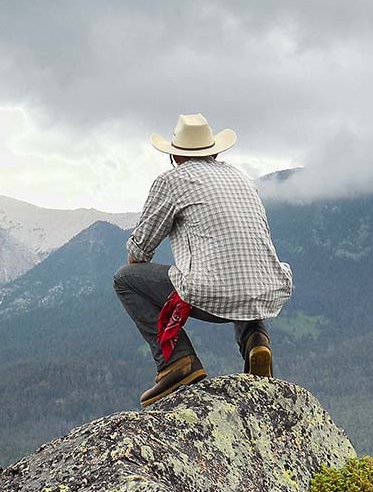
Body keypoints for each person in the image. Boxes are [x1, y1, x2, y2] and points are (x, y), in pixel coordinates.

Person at [113, 114, 294, 406]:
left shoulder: (171, 181)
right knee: (241, 267)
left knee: (125, 279)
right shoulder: (240, 177)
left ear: (174, 155)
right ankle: (256, 340)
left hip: (212, 292)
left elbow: (139, 251)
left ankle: (177, 361)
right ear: (216, 151)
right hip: (267, 288)